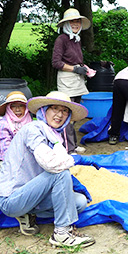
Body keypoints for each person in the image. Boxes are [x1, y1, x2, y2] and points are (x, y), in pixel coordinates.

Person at [0, 91, 97, 247]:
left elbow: (58, 162)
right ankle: (62, 234)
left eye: (64, 111)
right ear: (44, 111)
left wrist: (74, 184)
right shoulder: (33, 129)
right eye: (54, 108)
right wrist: (77, 159)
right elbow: (51, 164)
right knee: (59, 172)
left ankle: (28, 214)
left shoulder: (55, 136)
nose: (59, 114)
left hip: (32, 193)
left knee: (79, 202)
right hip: (12, 197)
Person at [52, 8, 93, 153]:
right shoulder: (61, 39)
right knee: (66, 114)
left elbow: (75, 59)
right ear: (67, 24)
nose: (75, 24)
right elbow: (56, 63)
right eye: (72, 21)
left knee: (74, 114)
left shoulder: (76, 39)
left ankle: (73, 145)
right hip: (67, 79)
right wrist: (74, 69)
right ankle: (68, 148)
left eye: (77, 21)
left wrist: (84, 69)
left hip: (77, 79)